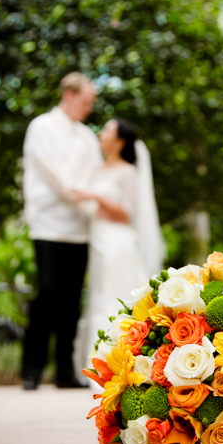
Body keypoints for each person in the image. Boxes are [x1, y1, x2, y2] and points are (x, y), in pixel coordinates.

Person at [21, 72, 102, 390]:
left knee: (71, 300)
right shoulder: (41, 127)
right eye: (85, 102)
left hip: (80, 229)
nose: (88, 108)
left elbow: (94, 174)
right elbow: (53, 175)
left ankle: (66, 372)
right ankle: (31, 370)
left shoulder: (86, 135)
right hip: (49, 225)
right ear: (68, 95)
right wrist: (84, 199)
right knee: (48, 294)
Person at [72, 119, 164, 368]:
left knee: (114, 295)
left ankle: (120, 359)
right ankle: (95, 362)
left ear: (119, 141)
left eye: (107, 131)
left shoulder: (128, 171)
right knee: (97, 295)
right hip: (96, 238)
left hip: (116, 242)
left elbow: (125, 212)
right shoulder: (96, 169)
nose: (101, 134)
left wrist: (95, 197)